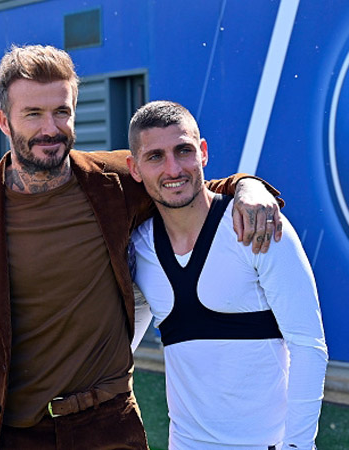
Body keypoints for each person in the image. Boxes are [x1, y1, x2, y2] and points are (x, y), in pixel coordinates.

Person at [0, 44, 283, 450]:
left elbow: (185, 187)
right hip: (10, 433)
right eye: (33, 114)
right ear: (4, 121)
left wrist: (247, 186)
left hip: (108, 426)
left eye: (61, 112)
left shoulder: (115, 181)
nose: (51, 127)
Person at [127, 101, 328, 450]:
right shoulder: (140, 249)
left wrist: (298, 445)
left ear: (203, 152)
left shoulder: (257, 225)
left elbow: (308, 345)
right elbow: (120, 344)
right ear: (135, 168)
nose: (173, 168)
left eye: (184, 150)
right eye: (156, 156)